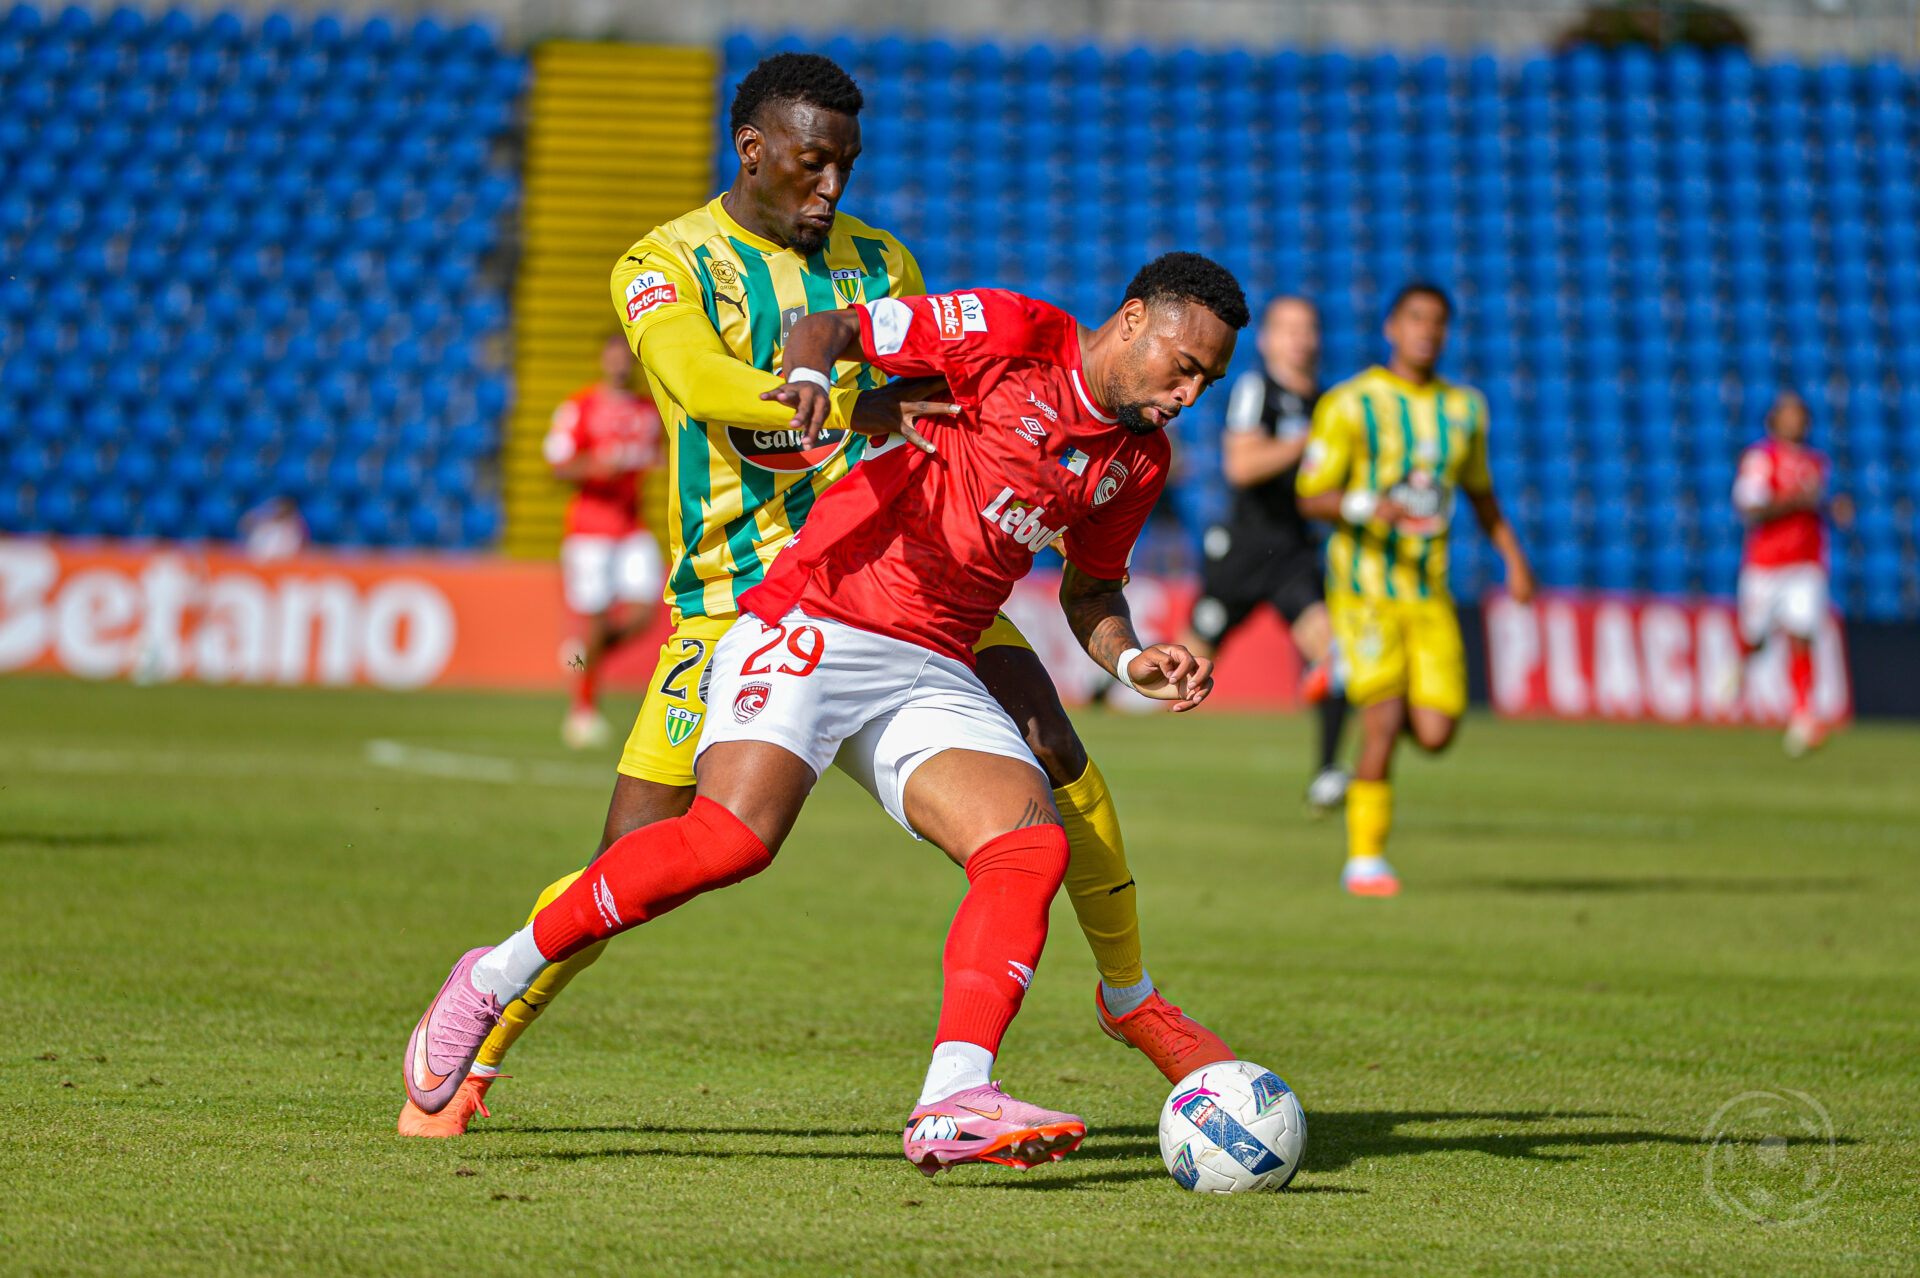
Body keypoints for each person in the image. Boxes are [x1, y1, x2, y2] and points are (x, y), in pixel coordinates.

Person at [395, 54, 1234, 1138]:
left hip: (926, 587)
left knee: (1055, 780)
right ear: (754, 148)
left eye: (847, 164)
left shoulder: (887, 262)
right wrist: (829, 404)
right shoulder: (672, 261)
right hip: (754, 589)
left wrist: (1126, 652)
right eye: (813, 162)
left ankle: (1101, 1017)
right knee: (680, 847)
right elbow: (706, 385)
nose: (832, 187)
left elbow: (933, 395)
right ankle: (484, 1026)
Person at [1295, 283, 1534, 896]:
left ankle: (1353, 682)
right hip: (1365, 591)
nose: (1427, 331)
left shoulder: (1465, 411)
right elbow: (1309, 494)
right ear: (1391, 328)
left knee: (1435, 733)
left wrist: (1513, 557)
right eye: (1416, 320)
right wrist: (1368, 504)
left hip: (1429, 594)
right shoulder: (1351, 403)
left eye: (1438, 322)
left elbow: (1480, 493)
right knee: (1383, 722)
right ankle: (1364, 861)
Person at [1182, 295, 1349, 811]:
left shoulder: (1328, 405)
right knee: (1187, 663)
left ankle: (1327, 770)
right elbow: (1241, 467)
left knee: (1333, 656)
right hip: (1245, 550)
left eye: (1308, 328)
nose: (1300, 339)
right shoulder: (1258, 390)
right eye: (1288, 328)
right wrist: (1307, 443)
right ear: (1270, 338)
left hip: (1294, 554)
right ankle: (1111, 700)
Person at [545, 331, 665, 748]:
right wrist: (596, 467)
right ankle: (582, 711)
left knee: (645, 611)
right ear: (603, 360)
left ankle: (582, 657)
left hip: (632, 525)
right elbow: (558, 467)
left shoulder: (646, 411)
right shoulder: (580, 407)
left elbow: (660, 452)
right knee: (595, 615)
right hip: (590, 530)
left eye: (625, 357)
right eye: (613, 356)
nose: (620, 364)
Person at [1729, 389, 1849, 756]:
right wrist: (1798, 501)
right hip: (1766, 564)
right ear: (1775, 420)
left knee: (1802, 633)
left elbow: (1812, 505)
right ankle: (1740, 660)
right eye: (1788, 414)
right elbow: (1750, 509)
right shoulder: (1760, 459)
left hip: (1806, 563)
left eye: (1800, 415)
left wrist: (1831, 509)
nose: (1794, 421)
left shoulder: (1817, 462)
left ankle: (1802, 717)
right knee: (1757, 634)